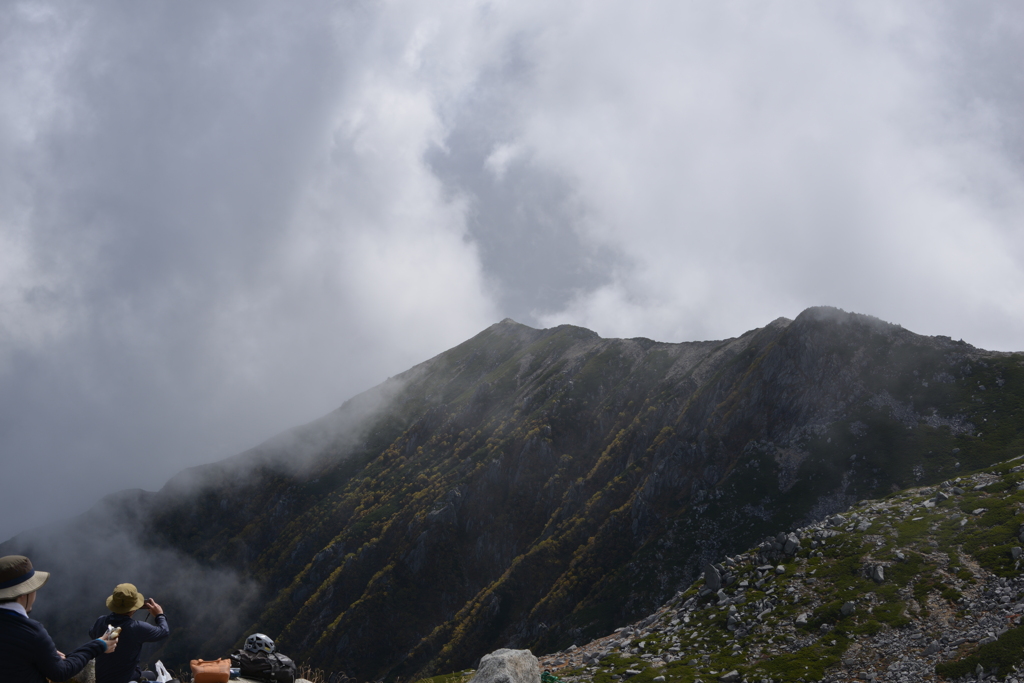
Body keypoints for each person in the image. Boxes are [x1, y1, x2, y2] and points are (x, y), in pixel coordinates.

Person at [0, 554, 118, 682]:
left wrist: (44, 653)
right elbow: (61, 672)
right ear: (24, 594)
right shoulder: (32, 633)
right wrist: (98, 645)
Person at [89, 583, 170, 683]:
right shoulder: (137, 628)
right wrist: (159, 615)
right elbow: (164, 631)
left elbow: (92, 633)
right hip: (128, 680)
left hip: (103, 680)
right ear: (134, 608)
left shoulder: (100, 621)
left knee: (151, 675)